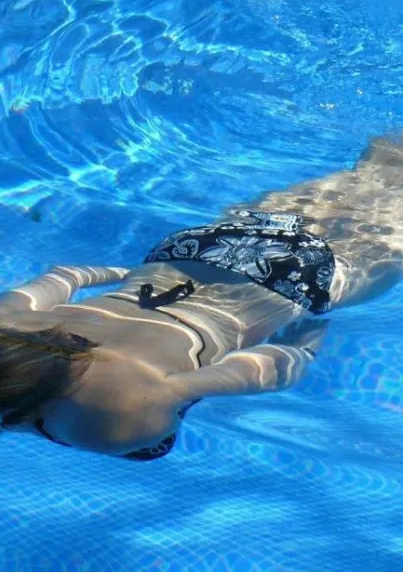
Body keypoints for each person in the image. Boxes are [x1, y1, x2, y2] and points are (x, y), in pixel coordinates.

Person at [0, 136, 401, 460]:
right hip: (188, 253)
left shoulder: (114, 420)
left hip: (284, 284)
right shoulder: (6, 324)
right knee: (376, 169)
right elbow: (65, 274)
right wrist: (128, 276)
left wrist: (302, 346)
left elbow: (264, 373)